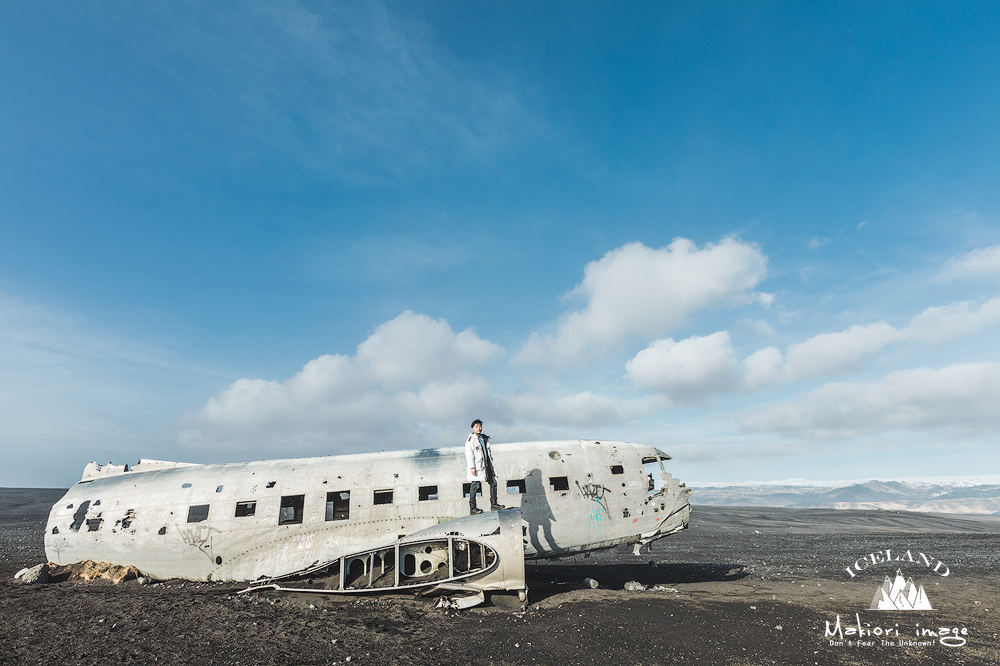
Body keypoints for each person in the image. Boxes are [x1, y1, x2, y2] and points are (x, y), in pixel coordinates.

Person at [465, 419, 505, 515]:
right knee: (475, 486)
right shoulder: (471, 440)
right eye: (476, 427)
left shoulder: (483, 438)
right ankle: (472, 508)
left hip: (486, 466)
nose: (479, 428)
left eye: (480, 426)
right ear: (473, 428)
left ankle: (494, 504)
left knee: (493, 483)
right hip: (477, 467)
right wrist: (472, 467)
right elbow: (469, 454)